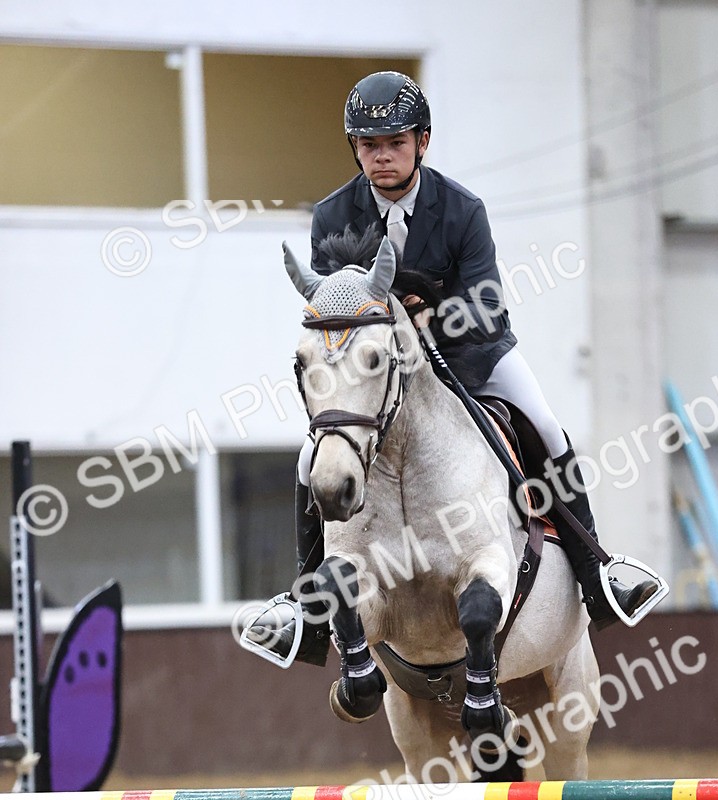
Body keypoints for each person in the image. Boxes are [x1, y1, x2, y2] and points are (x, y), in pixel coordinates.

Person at [253, 71, 658, 668]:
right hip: (378, 372)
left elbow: (487, 305)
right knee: (313, 456)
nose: (381, 156)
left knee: (545, 424)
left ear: (422, 141)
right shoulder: (333, 215)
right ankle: (307, 607)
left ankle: (597, 571)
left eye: (395, 142)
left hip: (471, 355)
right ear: (355, 148)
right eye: (369, 145)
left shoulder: (462, 209)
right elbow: (335, 308)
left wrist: (427, 317)